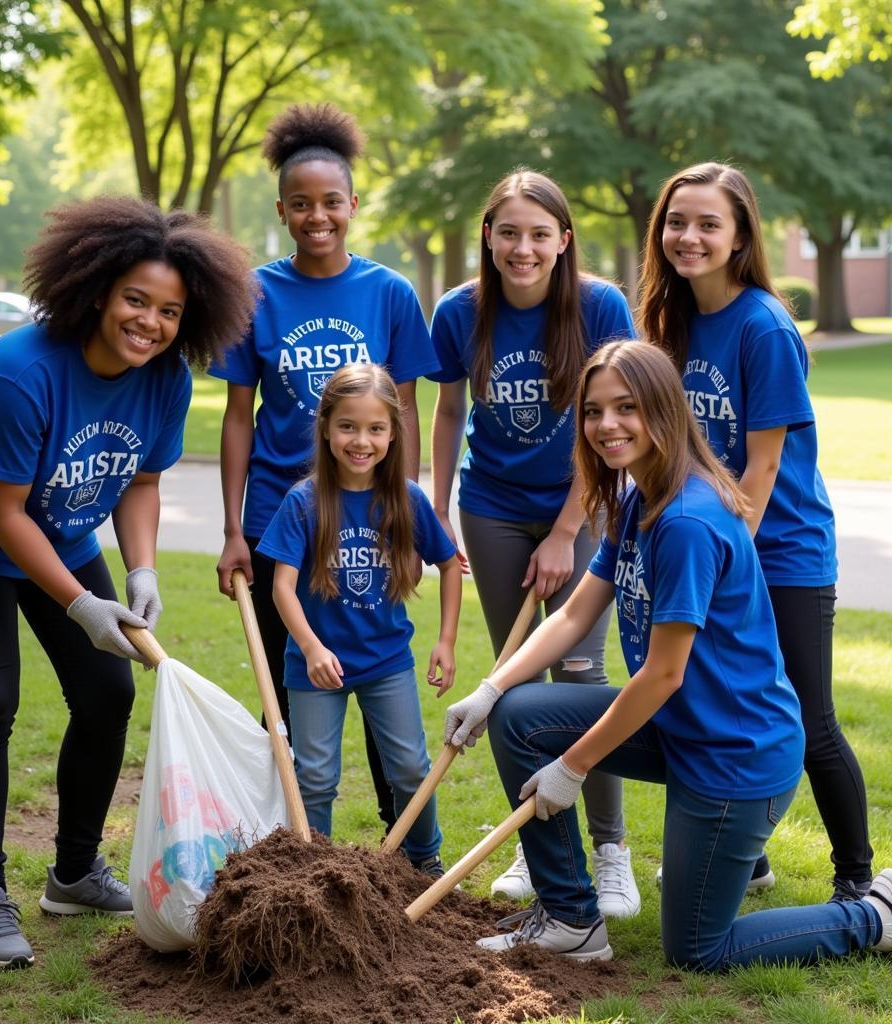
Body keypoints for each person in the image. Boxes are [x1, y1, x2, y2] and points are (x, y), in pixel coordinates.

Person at [442, 340, 892, 968]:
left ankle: (871, 914)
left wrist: (572, 768)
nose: (607, 425)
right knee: (519, 715)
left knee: (699, 950)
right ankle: (572, 919)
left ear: (664, 410)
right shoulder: (637, 497)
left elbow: (662, 673)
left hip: (735, 755)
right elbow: (575, 612)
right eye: (594, 411)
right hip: (683, 727)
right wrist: (490, 690)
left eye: (626, 407)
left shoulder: (685, 522)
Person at [0, 196, 255, 969]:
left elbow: (138, 482)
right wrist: (76, 600)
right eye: (136, 299)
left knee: (107, 693)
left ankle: (73, 872)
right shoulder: (19, 371)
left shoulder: (162, 377)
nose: (150, 322)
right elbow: (0, 510)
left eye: (169, 310)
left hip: (56, 526)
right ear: (98, 289)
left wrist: (140, 569)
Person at [638, 162, 872, 901]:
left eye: (710, 224)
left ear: (740, 237)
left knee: (809, 718)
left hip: (781, 551)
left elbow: (764, 466)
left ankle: (860, 884)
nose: (690, 236)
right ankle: (748, 856)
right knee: (705, 706)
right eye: (679, 221)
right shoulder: (669, 321)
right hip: (710, 549)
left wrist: (723, 562)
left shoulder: (764, 325)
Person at [211, 103, 439, 834]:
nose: (318, 216)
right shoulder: (255, 295)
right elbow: (237, 417)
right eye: (301, 204)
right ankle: (303, 848)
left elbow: (402, 414)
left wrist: (405, 510)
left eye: (331, 203)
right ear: (282, 210)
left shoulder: (390, 293)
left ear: (353, 206)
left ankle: (406, 851)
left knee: (380, 681)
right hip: (282, 519)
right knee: (299, 697)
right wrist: (231, 529)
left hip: (370, 511)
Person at [428, 168, 639, 917]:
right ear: (488, 236)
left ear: (563, 241)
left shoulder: (598, 306)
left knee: (581, 678)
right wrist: (439, 503)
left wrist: (564, 532)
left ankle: (611, 851)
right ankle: (540, 840)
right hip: (490, 505)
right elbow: (449, 410)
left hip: (579, 506)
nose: (523, 248)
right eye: (508, 232)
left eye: (538, 234)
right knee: (513, 683)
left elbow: (618, 422)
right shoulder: (459, 312)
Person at [258, 364, 461, 873]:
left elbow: (449, 564)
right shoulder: (303, 502)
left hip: (387, 661)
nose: (361, 440)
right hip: (315, 668)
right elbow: (281, 586)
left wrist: (446, 641)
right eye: (348, 426)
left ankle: (422, 861)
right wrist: (309, 647)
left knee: (411, 769)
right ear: (325, 427)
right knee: (316, 777)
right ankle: (313, 870)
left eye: (376, 428)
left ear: (394, 433)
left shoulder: (406, 500)